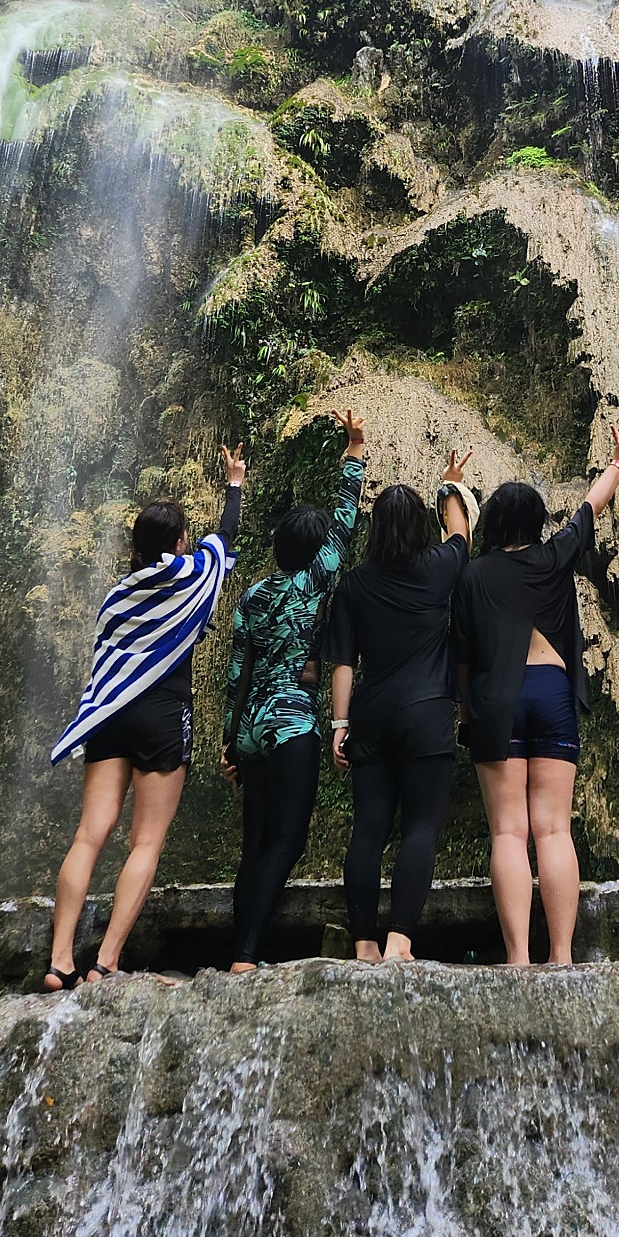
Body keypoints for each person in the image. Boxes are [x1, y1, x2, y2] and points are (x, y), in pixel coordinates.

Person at [43, 446, 245, 990]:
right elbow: (225, 537)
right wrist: (234, 483)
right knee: (145, 843)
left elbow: (104, 659)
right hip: (162, 713)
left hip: (109, 714)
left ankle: (59, 960)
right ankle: (105, 962)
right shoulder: (195, 575)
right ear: (180, 543)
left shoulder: (117, 595)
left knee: (89, 835)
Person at [456, 425, 619, 967]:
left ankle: (518, 958)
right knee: (554, 828)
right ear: (536, 523)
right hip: (551, 689)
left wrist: (466, 712)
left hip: (496, 699)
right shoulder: (556, 555)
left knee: (509, 831)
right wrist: (618, 461)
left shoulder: (472, 577)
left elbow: (461, 659)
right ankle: (561, 957)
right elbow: (590, 506)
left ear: (493, 524)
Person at [221, 408, 367, 973]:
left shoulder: (252, 596)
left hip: (254, 726)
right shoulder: (313, 583)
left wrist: (231, 742)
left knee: (254, 843)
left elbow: (237, 673)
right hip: (294, 723)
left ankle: (239, 954)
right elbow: (345, 522)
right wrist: (353, 451)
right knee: (288, 839)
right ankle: (249, 955)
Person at [326, 450, 476, 964]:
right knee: (420, 827)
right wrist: (449, 487)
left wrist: (339, 725)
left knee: (368, 827)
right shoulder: (438, 568)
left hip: (371, 714)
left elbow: (342, 661)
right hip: (428, 712)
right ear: (417, 527)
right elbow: (461, 536)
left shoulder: (353, 584)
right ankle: (400, 942)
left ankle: (363, 942)